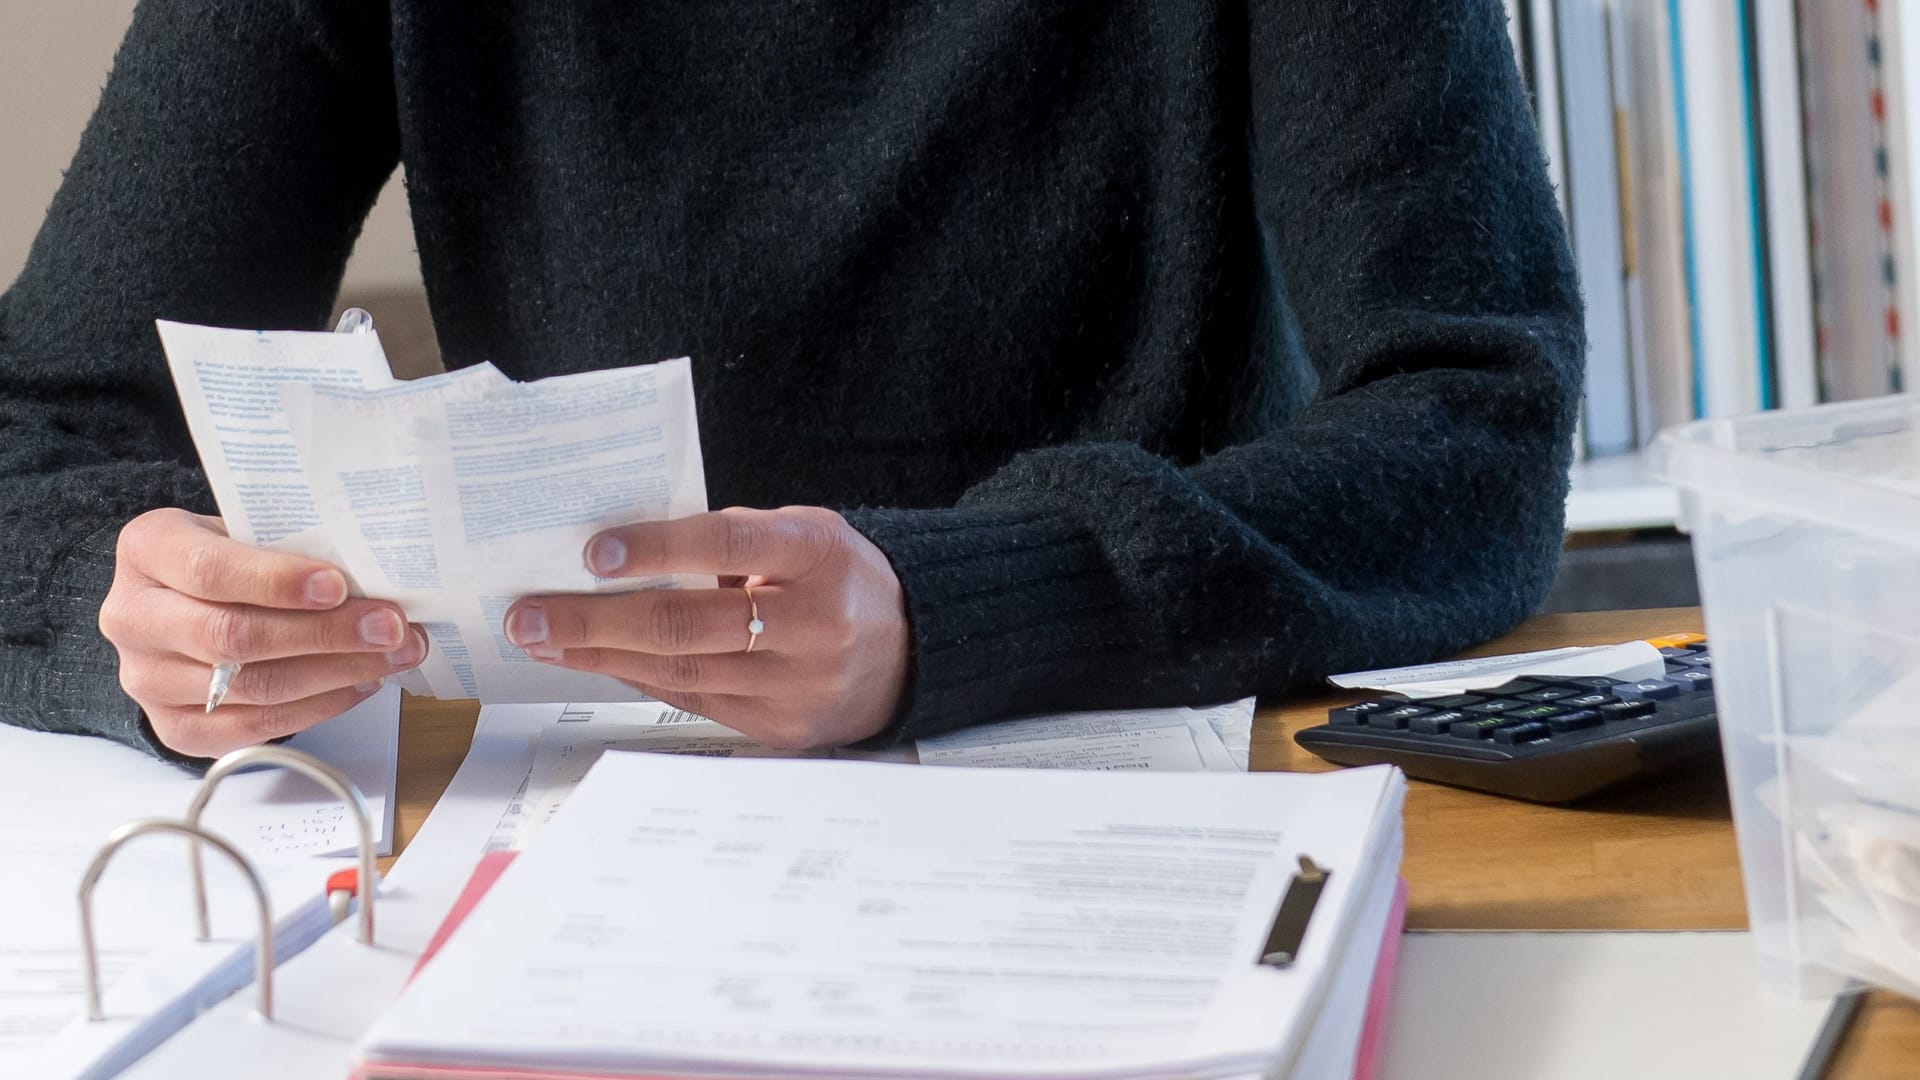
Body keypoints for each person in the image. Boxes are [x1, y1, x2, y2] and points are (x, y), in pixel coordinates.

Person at [0, 0, 1582, 764]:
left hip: (1164, 785)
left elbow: (1476, 411)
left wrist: (962, 607)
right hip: (577, 847)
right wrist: (134, 608)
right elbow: (33, 434)